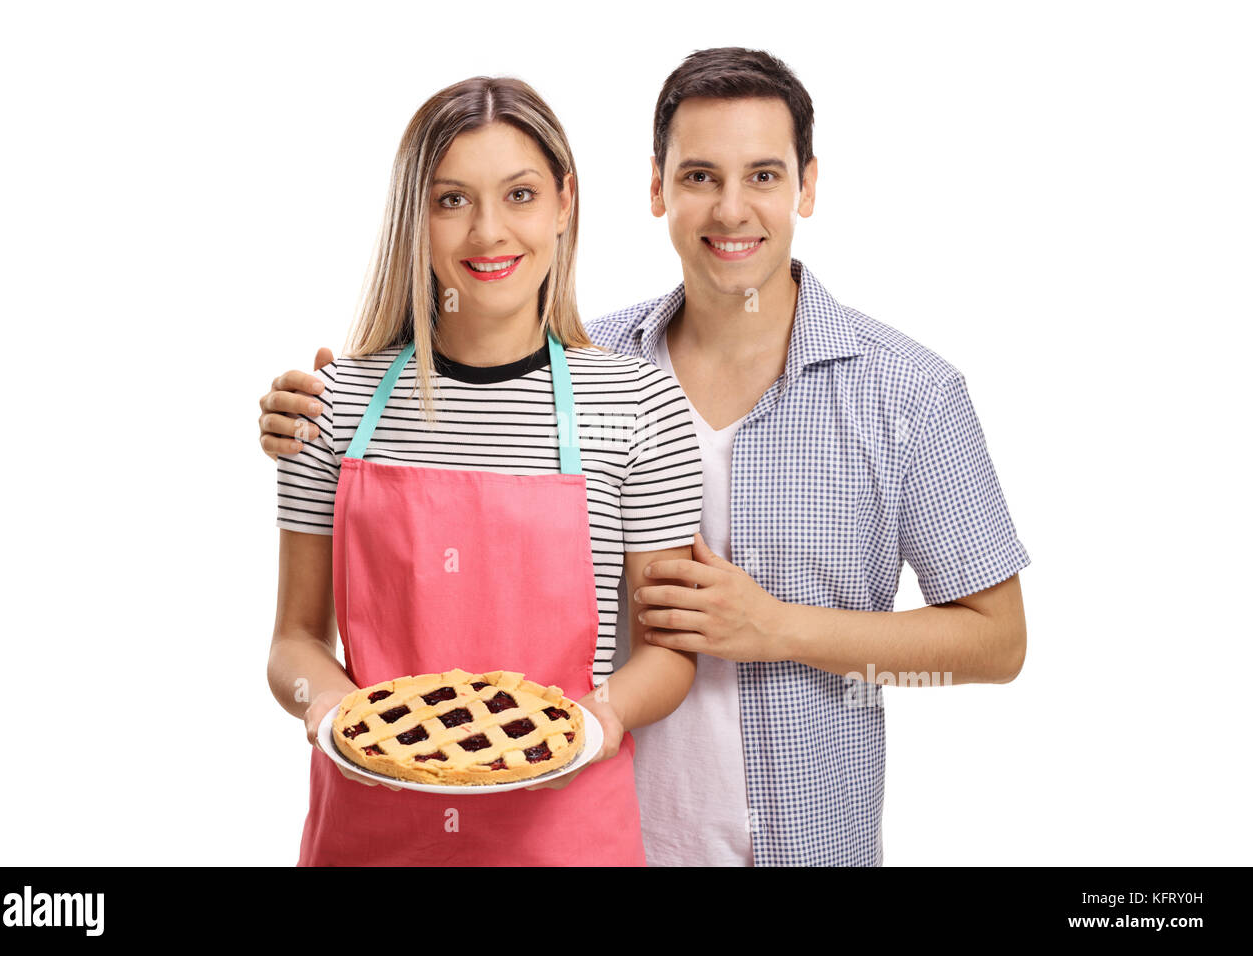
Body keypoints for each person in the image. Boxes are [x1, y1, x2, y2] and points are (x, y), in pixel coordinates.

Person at [260, 48, 1030, 867]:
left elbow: (997, 644)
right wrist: (312, 418)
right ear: (656, 186)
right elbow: (302, 633)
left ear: (807, 185)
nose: (731, 210)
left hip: (785, 840)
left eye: (763, 176)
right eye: (699, 176)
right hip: (592, 827)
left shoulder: (906, 395)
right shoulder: (604, 361)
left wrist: (779, 629)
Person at [268, 75, 703, 866]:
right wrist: (331, 710)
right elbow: (293, 641)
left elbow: (667, 654)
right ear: (416, 219)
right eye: (451, 201)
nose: (488, 232)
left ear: (565, 204)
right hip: (371, 830)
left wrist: (598, 720)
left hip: (567, 831)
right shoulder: (332, 405)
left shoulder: (638, 405)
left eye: (521, 194)